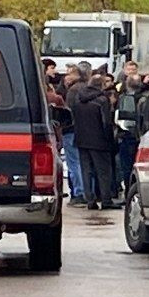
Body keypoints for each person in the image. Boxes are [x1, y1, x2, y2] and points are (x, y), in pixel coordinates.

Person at [68, 65, 119, 211]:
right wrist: (110, 141)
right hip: (99, 141)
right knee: (103, 171)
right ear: (101, 85)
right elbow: (106, 122)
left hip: (81, 139)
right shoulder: (103, 100)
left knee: (86, 170)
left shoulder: (78, 97)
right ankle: (106, 200)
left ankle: (90, 199)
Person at [116, 65, 147, 194]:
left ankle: (130, 192)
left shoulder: (124, 99)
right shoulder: (146, 98)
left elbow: (123, 120)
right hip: (142, 137)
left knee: (127, 167)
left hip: (128, 136)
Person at [59, 64, 86, 206]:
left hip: (70, 130)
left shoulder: (72, 91)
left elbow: (68, 112)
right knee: (82, 161)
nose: (66, 76)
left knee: (73, 163)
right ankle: (87, 191)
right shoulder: (86, 88)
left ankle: (79, 192)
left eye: (69, 73)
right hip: (84, 130)